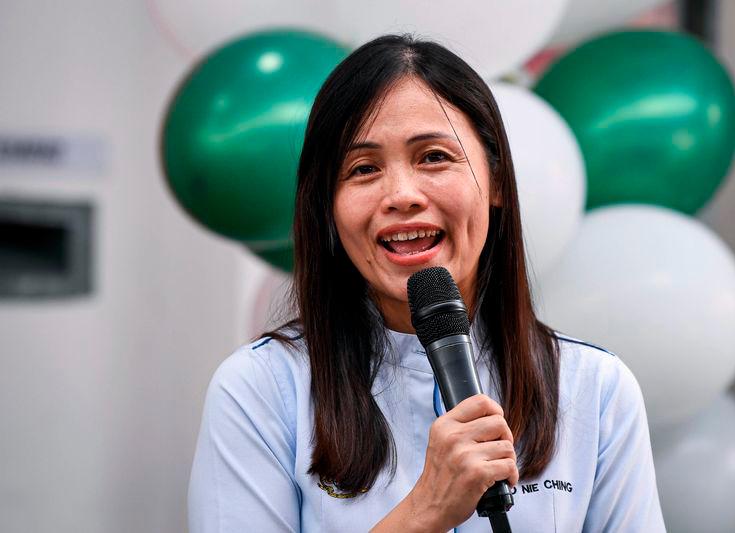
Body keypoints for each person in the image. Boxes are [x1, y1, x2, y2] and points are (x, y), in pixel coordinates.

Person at [188, 34, 666, 533]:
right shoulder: (259, 390)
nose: (401, 195)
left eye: (433, 157)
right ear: (327, 206)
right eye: (364, 168)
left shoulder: (594, 389)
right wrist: (425, 511)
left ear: (497, 180)